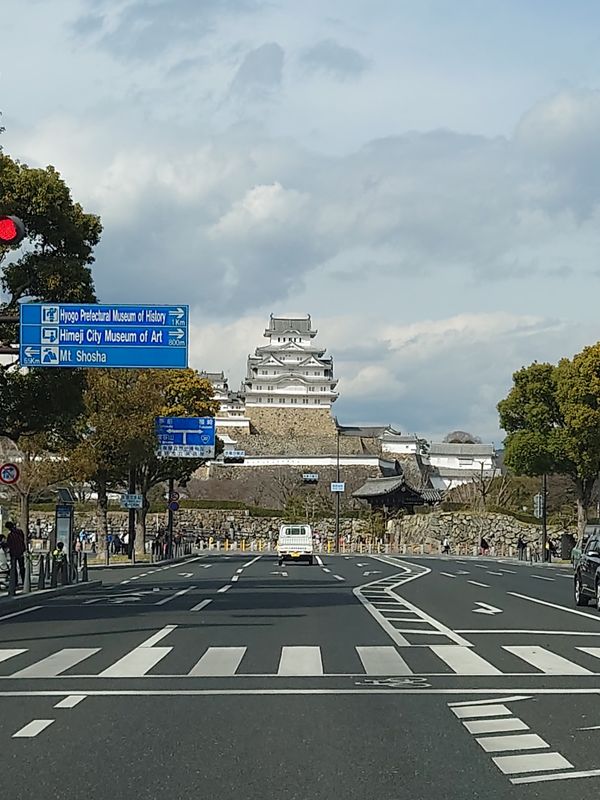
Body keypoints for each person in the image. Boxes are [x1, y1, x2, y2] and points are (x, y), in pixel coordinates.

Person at [5, 521, 26, 586]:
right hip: (21, 551)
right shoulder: (20, 532)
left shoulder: (10, 535)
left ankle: (15, 581)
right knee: (22, 567)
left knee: (14, 568)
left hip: (13, 553)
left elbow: (9, 544)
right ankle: (24, 580)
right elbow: (22, 539)